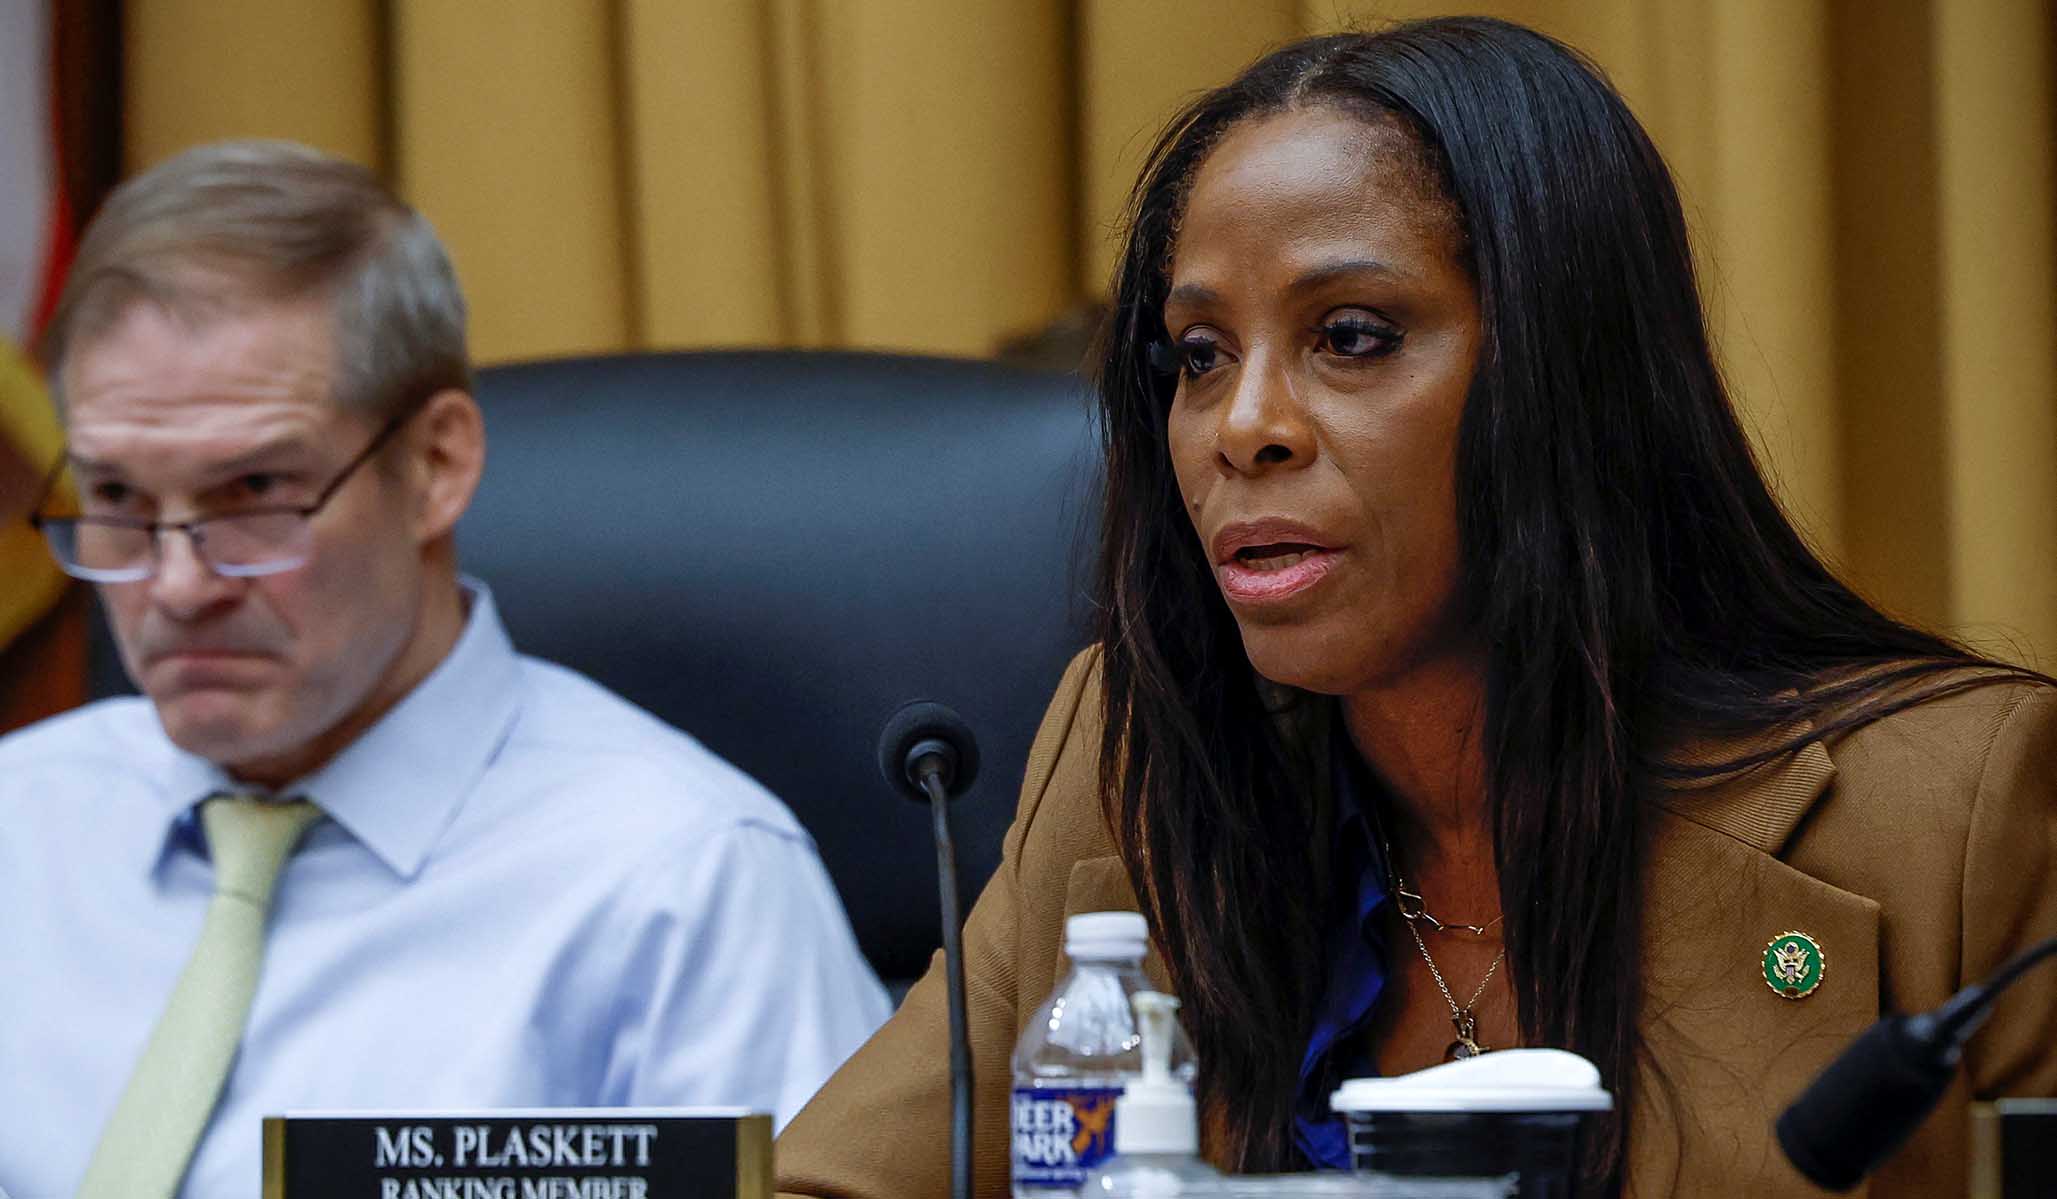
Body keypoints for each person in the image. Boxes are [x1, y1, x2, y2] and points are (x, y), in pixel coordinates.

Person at [773, 17, 2056, 1199]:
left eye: (1351, 334)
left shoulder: (1954, 810)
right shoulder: (1131, 759)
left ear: (1564, 375)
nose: (1243, 428)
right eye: (1197, 357)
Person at [0, 139, 891, 1199]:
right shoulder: (24, 816)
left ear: (435, 466)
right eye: (116, 501)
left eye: (254, 492)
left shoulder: (682, 878)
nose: (179, 585)